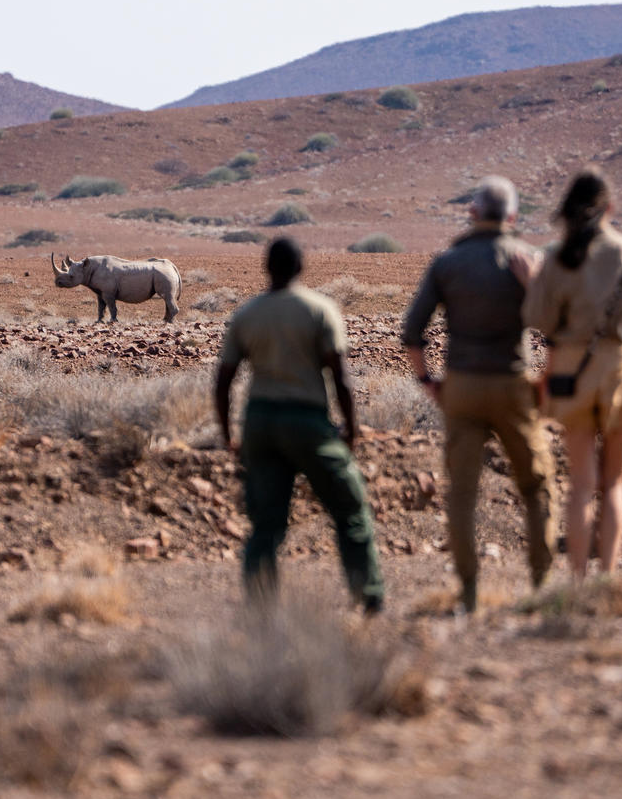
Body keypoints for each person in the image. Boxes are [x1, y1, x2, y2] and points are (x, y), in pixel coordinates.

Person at [401, 176, 554, 613]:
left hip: (462, 387)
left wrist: (427, 381)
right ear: (513, 217)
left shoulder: (447, 262)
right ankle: (541, 588)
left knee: (462, 493)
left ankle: (468, 594)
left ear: (472, 212)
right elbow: (557, 328)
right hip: (513, 385)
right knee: (536, 485)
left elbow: (413, 331)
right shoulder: (528, 259)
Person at [214, 237, 385, 614]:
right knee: (349, 507)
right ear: (300, 268)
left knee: (266, 523)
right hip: (306, 419)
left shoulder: (247, 315)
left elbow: (223, 380)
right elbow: (340, 378)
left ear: (266, 268)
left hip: (259, 421)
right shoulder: (319, 309)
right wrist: (352, 429)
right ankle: (369, 597)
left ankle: (260, 610)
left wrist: (229, 435)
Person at [524, 168, 622, 579]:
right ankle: (609, 578)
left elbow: (540, 322)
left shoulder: (558, 258)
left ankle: (578, 580)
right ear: (610, 207)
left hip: (571, 368)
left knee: (581, 483)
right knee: (614, 482)